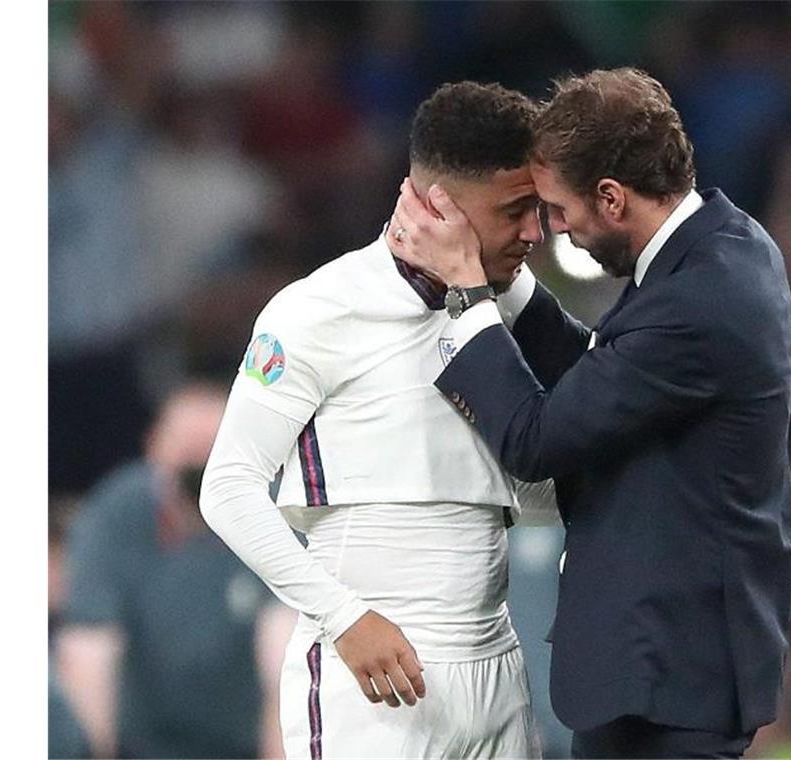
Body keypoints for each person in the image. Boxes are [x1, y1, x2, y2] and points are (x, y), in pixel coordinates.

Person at [388, 67, 791, 758]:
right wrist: (506, 283)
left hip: (674, 673)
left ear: (610, 197)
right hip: (661, 663)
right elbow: (607, 379)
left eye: (557, 208)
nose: (554, 231)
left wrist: (465, 291)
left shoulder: (700, 299)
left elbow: (535, 438)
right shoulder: (719, 250)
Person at [199, 81, 556, 759]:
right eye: (516, 211)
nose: (534, 233)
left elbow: (548, 469)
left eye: (537, 209)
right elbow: (227, 488)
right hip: (372, 670)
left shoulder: (507, 305)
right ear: (439, 204)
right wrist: (344, 619)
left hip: (498, 662)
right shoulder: (317, 311)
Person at [55, 382, 294, 759]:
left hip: (242, 745)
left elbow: (284, 660)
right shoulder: (118, 512)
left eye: (212, 454)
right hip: (140, 746)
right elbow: (89, 648)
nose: (197, 475)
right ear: (154, 447)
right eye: (187, 456)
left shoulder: (277, 511)